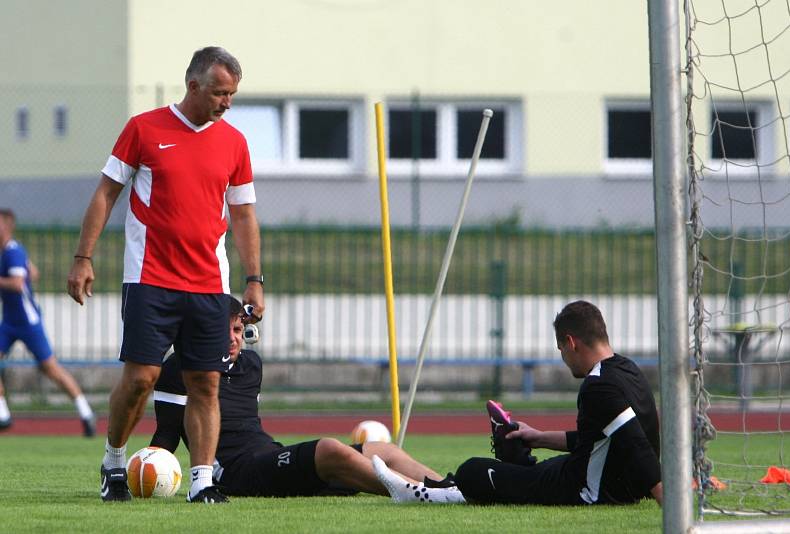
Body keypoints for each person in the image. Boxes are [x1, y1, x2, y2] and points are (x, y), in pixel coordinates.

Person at [66, 46, 264, 504]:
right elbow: (105, 193)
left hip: (209, 286)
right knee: (141, 378)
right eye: (220, 93)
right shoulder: (145, 128)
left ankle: (202, 482)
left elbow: (245, 215)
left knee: (205, 383)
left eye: (232, 94)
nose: (227, 102)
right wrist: (83, 257)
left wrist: (254, 279)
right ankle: (114, 463)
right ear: (193, 86)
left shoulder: (234, 142)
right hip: (150, 278)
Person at [151, 295, 464, 503]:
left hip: (270, 458)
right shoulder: (180, 368)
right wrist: (145, 469)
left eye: (238, 329)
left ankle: (453, 488)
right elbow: (166, 435)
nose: (233, 338)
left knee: (382, 448)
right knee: (327, 447)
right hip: (235, 473)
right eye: (224, 331)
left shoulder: (251, 365)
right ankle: (416, 493)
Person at [375, 300, 663, 507]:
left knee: (472, 471)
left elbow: (636, 444)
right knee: (518, 470)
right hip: (603, 479)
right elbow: (606, 437)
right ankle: (512, 458)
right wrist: (537, 437)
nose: (563, 356)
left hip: (587, 490)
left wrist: (668, 500)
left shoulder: (598, 386)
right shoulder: (628, 369)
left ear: (571, 342)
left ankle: (420, 492)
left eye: (561, 349)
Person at [0, 209, 96, 435]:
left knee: (51, 368)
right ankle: (3, 416)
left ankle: (86, 412)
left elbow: (16, 283)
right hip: (10, 322)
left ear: (7, 226)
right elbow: (34, 272)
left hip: (28, 321)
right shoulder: (7, 252)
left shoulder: (13, 251)